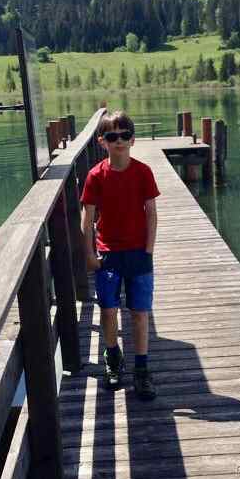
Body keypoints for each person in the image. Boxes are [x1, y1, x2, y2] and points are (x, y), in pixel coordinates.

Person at [81, 111, 160, 398]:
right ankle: (113, 357)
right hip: (108, 253)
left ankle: (142, 370)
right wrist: (89, 254)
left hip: (139, 253)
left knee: (140, 313)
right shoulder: (95, 176)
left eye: (125, 135)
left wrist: (148, 250)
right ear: (102, 142)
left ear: (133, 139)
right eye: (112, 137)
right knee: (108, 310)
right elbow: (86, 217)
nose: (119, 141)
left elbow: (151, 213)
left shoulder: (143, 172)